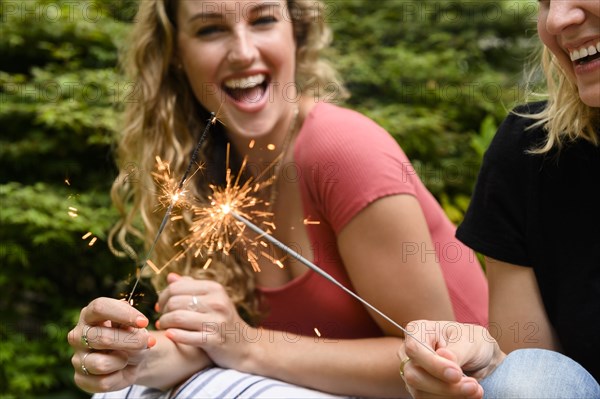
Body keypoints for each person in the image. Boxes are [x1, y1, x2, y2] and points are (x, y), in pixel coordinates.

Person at [67, 0, 488, 397]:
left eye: (264, 20)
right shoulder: (208, 172)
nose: (243, 51)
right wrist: (132, 355)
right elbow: (229, 346)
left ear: (296, 33)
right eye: (211, 29)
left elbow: (438, 367)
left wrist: (248, 345)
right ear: (176, 53)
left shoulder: (343, 150)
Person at [398, 0, 600, 398]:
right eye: (544, 2)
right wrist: (493, 366)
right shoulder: (529, 152)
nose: (558, 20)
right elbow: (538, 370)